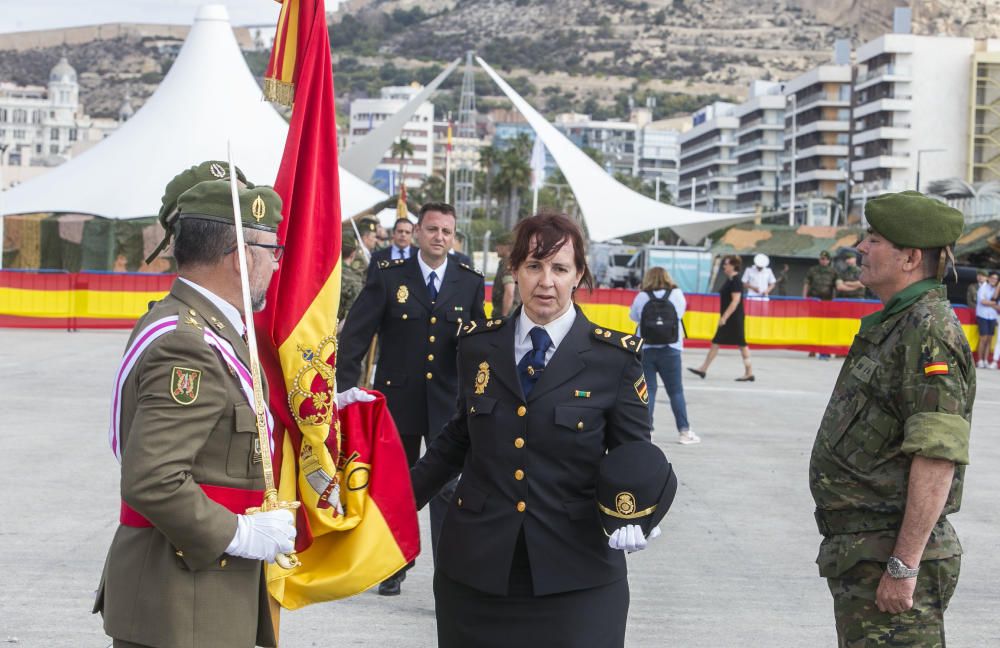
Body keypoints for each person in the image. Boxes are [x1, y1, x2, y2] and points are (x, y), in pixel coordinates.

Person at [410, 212, 656, 647]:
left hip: (577, 574)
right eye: (533, 266)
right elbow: (456, 440)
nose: (546, 281)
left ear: (578, 274)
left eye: (560, 268)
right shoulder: (477, 346)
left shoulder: (614, 359)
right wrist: (389, 502)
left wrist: (641, 510)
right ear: (515, 271)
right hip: (476, 571)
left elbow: (633, 455)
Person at [94, 175, 296, 647]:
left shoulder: (205, 326)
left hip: (196, 593)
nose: (275, 264)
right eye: (273, 251)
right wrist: (240, 533)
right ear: (243, 256)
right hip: (182, 600)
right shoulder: (190, 344)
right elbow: (152, 478)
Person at [809, 190, 974, 647]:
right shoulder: (899, 324)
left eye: (874, 239)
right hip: (863, 551)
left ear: (910, 259)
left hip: (890, 555)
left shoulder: (928, 332)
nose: (861, 247)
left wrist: (903, 567)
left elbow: (937, 457)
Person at [336, 201, 486, 596]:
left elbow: (480, 346)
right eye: (433, 229)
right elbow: (355, 336)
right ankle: (393, 563)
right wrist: (345, 392)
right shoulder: (389, 276)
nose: (439, 237)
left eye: (447, 232)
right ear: (418, 232)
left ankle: (448, 574)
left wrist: (482, 398)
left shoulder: (469, 280)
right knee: (395, 485)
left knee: (447, 488)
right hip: (397, 401)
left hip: (448, 405)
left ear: (454, 238)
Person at [629, 266, 697, 444]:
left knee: (648, 391)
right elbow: (680, 314)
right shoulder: (676, 294)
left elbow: (633, 316)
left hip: (646, 348)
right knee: (675, 391)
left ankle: (646, 432)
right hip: (671, 349)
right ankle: (684, 432)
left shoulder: (642, 296)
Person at [689, 255, 754, 382]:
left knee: (741, 344)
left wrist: (724, 317)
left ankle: (749, 372)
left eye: (726, 264)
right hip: (729, 317)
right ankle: (703, 369)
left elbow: (735, 301)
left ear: (733, 266)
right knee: (717, 342)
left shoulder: (735, 281)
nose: (724, 266)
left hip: (733, 318)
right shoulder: (729, 280)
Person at [804, 251, 839, 359]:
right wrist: (804, 298)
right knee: (813, 325)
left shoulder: (833, 271)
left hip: (827, 302)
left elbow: (836, 287)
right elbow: (807, 284)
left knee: (826, 326)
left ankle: (825, 349)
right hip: (814, 301)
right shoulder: (813, 270)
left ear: (829, 260)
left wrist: (835, 301)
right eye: (821, 259)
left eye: (825, 259)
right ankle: (812, 349)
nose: (823, 261)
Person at [490, 231, 519, 318]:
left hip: (506, 313)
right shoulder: (516, 261)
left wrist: (504, 317)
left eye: (498, 245)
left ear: (506, 247)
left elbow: (509, 291)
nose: (496, 248)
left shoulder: (507, 263)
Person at [339, 232, 365, 325]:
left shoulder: (326, 272)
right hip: (338, 335)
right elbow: (351, 316)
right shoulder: (354, 279)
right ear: (353, 253)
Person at [975, 271, 999, 369]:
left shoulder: (997, 290)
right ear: (989, 278)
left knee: (989, 339)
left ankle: (985, 360)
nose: (994, 280)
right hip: (982, 315)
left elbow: (998, 307)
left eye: (996, 279)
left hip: (992, 316)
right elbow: (983, 301)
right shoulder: (983, 287)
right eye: (992, 278)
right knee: (983, 338)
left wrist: (991, 303)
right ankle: (980, 360)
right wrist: (994, 303)